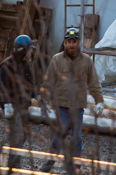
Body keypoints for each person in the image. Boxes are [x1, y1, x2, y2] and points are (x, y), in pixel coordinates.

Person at [39, 27, 104, 172]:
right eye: (69, 41)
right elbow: (48, 81)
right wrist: (43, 100)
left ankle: (75, 168)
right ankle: (49, 163)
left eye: (74, 42)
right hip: (61, 105)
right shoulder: (57, 59)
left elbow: (94, 82)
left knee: (77, 138)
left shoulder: (86, 61)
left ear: (78, 43)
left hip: (78, 107)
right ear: (65, 43)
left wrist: (99, 101)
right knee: (59, 136)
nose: (72, 45)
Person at [0, 34, 37, 169]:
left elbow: (31, 83)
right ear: (22, 51)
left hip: (23, 104)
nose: (31, 52)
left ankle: (12, 162)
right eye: (29, 49)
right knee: (18, 136)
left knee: (24, 135)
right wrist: (6, 104)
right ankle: (13, 168)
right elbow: (3, 87)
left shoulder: (25, 65)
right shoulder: (6, 65)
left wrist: (34, 97)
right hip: (12, 106)